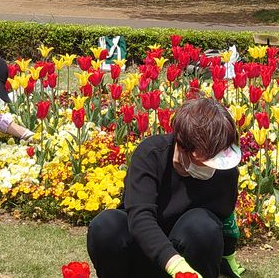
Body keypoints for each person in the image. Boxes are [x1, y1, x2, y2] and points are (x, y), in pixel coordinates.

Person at [87, 98, 244, 278]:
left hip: (191, 257)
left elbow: (223, 218)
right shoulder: (151, 154)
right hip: (142, 253)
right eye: (207, 160)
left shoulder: (225, 171)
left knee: (203, 226)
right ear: (183, 147)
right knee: (106, 225)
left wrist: (228, 257)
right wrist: (176, 266)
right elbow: (140, 218)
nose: (214, 167)